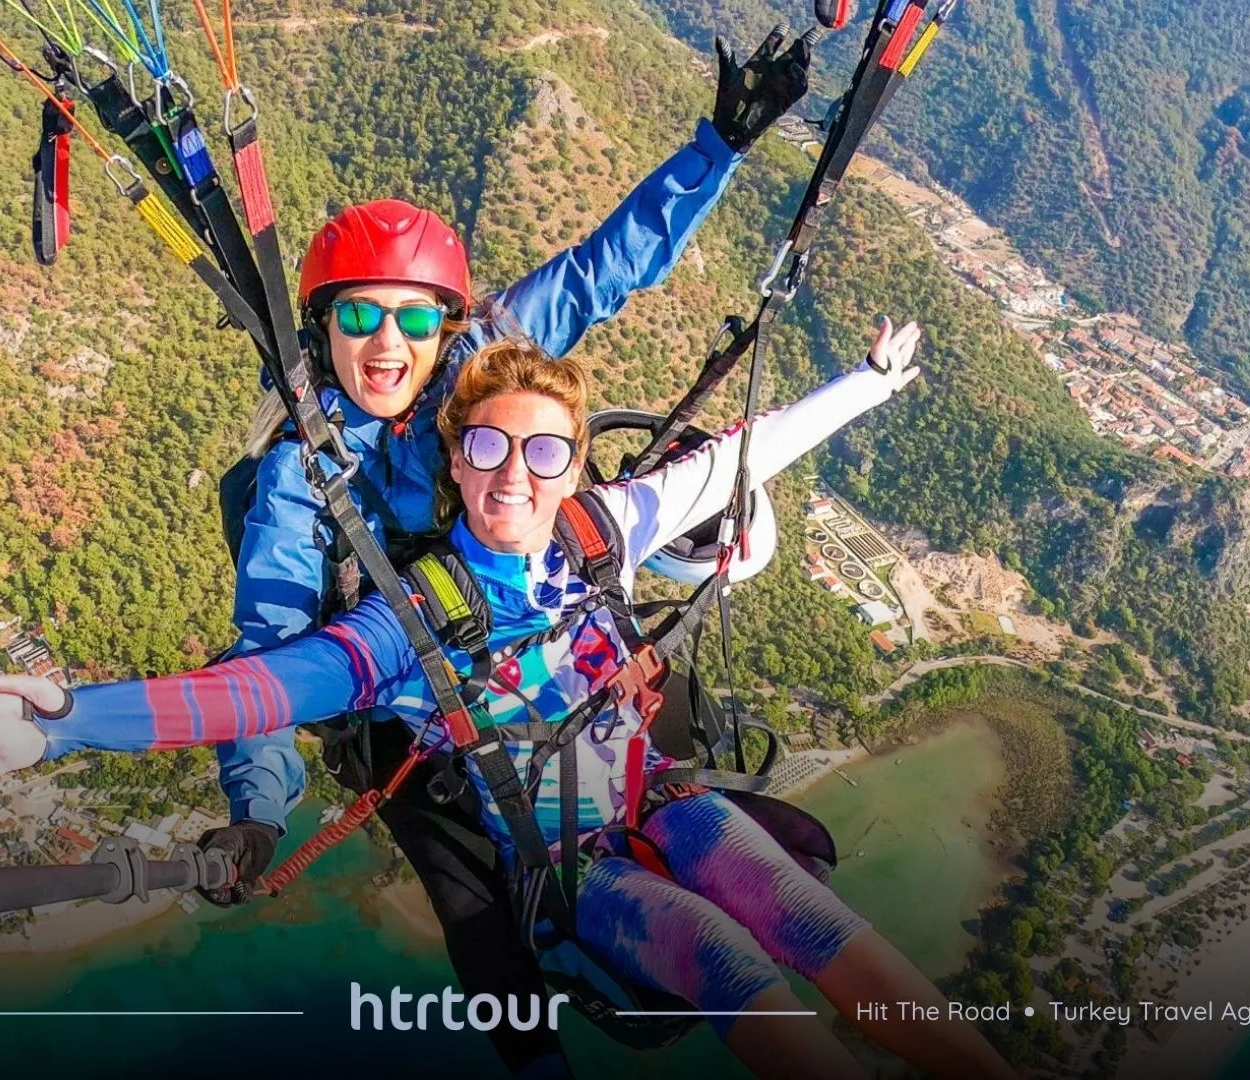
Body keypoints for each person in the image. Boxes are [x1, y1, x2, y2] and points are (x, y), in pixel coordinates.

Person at [0, 323, 1018, 1080]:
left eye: (545, 450)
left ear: (577, 464)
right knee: (729, 965)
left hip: (660, 800)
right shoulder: (409, 624)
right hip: (576, 878)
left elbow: (739, 455)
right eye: (488, 445)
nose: (515, 473)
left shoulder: (601, 530)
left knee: (803, 916)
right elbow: (252, 690)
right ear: (457, 457)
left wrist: (867, 383)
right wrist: (73, 724)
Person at [203, 23, 814, 1079]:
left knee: (659, 751)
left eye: (414, 318)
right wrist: (257, 813)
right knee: (476, 905)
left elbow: (604, 268)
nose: (389, 345)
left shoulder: (481, 359)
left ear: (450, 324)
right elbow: (269, 644)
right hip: (409, 701)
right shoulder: (305, 477)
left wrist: (720, 145)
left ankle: (708, 892)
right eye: (361, 317)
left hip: (535, 626)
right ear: (322, 328)